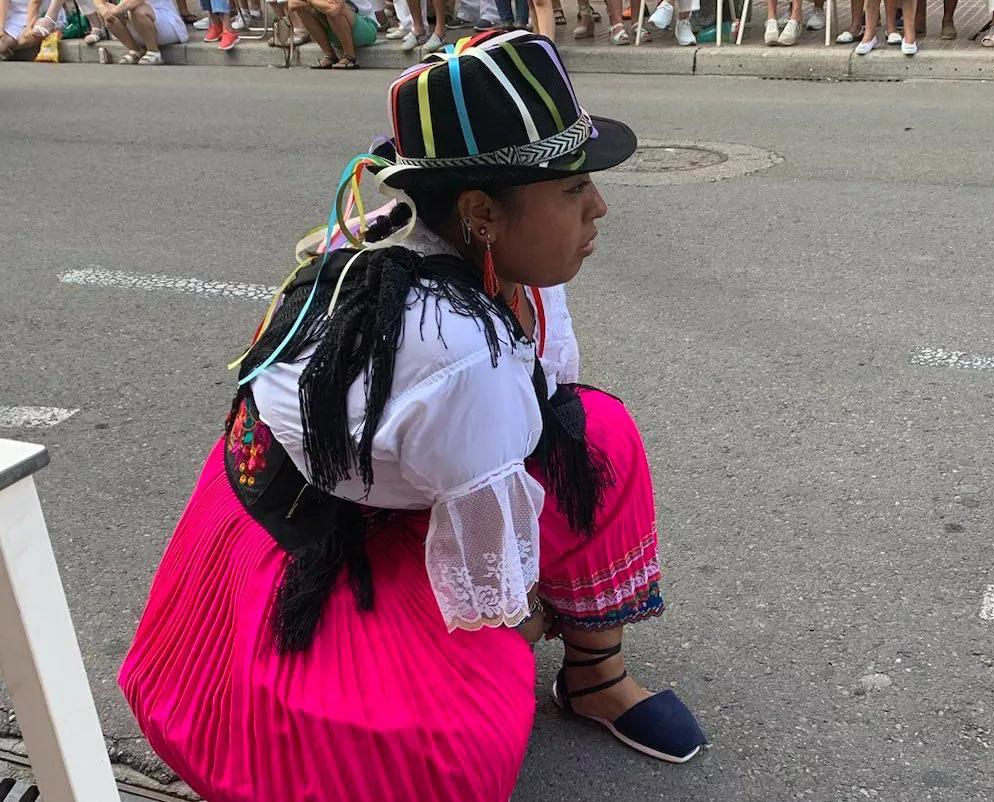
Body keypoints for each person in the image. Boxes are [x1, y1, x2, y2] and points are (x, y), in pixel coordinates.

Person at [119, 30, 706, 802]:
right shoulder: (464, 354)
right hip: (317, 578)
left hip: (278, 533)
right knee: (458, 742)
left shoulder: (399, 240)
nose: (600, 206)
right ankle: (553, 678)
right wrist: (522, 626)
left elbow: (550, 398)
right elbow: (489, 578)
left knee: (588, 428)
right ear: (480, 211)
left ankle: (594, 680)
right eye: (571, 191)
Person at [290, 0, 377, 68]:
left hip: (364, 28)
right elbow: (292, 4)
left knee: (335, 10)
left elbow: (334, 9)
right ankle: (330, 56)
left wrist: (311, 1)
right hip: (334, 27)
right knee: (302, 10)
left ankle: (350, 57)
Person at [94, 0, 186, 62]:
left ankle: (153, 51)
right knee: (104, 9)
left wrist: (113, 12)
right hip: (136, 24)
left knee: (138, 8)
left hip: (168, 26)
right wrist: (102, 9)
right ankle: (135, 50)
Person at [0, 0, 65, 59]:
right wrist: (1, 27)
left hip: (42, 13)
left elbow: (35, 3)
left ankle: (8, 48)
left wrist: (28, 27)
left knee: (24, 39)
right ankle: (6, 48)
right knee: (3, 39)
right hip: (15, 15)